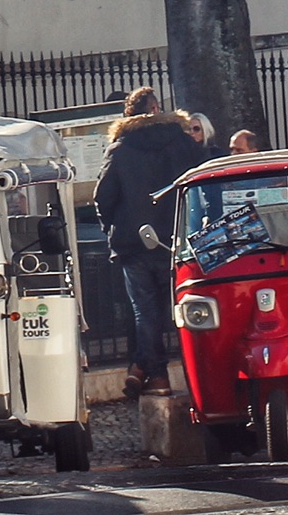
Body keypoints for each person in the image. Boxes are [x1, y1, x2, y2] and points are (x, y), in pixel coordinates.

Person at [94, 86, 206, 399]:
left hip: (134, 241)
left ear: (128, 116)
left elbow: (103, 197)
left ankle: (151, 373)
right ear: (157, 109)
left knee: (146, 312)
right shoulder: (183, 143)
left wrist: (112, 228)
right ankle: (191, 374)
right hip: (177, 240)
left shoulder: (120, 149)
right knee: (185, 308)